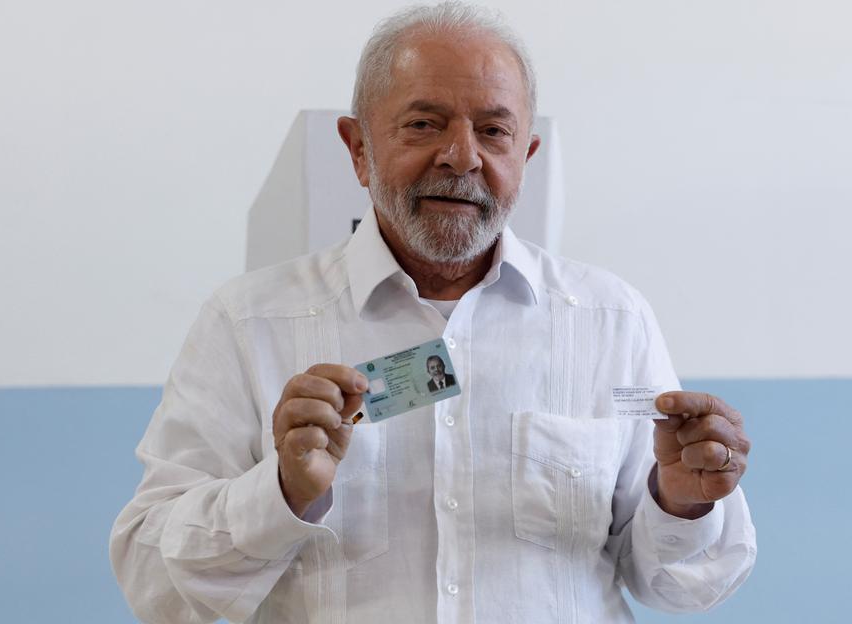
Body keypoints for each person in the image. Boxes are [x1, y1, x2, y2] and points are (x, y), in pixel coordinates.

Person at [110, 3, 756, 623]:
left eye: (494, 131)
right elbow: (151, 582)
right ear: (357, 147)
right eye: (424, 123)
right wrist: (280, 493)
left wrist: (683, 503)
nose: (462, 156)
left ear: (526, 158)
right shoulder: (248, 326)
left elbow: (679, 586)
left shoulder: (611, 321)